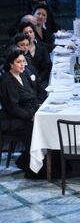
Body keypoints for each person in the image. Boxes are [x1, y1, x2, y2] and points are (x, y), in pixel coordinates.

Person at [0, 48, 41, 178]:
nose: (23, 64)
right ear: (11, 64)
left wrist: (38, 107)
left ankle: (26, 161)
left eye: (23, 61)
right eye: (19, 62)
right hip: (13, 119)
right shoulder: (7, 82)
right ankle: (32, 168)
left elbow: (32, 96)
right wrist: (31, 116)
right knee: (35, 130)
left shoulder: (23, 75)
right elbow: (13, 108)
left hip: (27, 113)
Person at [18, 22, 52, 97]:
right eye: (26, 33)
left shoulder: (41, 47)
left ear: (34, 33)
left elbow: (47, 67)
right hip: (27, 82)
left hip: (42, 79)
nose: (29, 34)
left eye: (31, 32)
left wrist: (39, 79)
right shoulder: (20, 52)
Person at [12, 33, 42, 102]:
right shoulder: (13, 65)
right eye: (22, 45)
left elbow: (38, 86)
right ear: (15, 46)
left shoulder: (28, 59)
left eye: (27, 45)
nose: (25, 48)